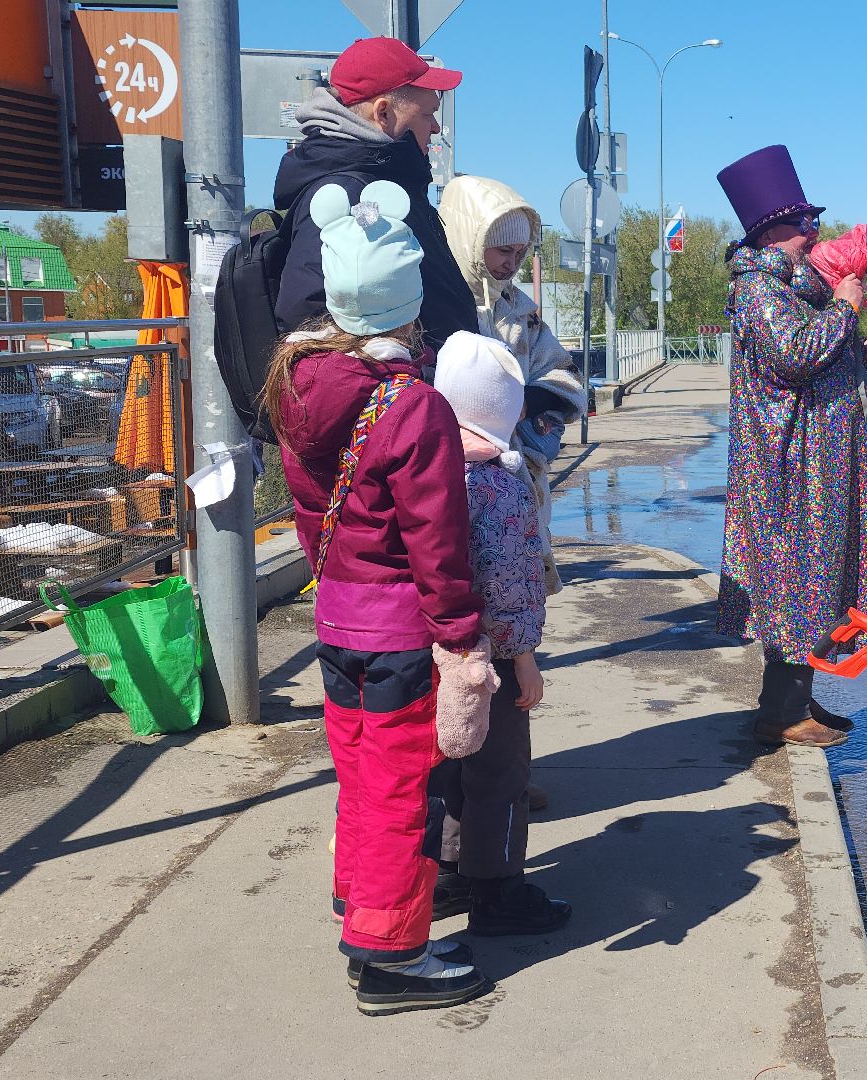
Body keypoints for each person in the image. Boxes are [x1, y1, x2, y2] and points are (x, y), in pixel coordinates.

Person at [263, 178, 495, 1016]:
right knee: (405, 788)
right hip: (401, 627)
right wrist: (461, 639)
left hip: (336, 619)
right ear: (406, 306)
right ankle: (391, 954)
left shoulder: (297, 388)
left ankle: (357, 903)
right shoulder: (412, 407)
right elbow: (438, 544)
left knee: (359, 774)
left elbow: (303, 512)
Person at [714, 145, 867, 748]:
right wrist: (846, 311)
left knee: (816, 579)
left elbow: (810, 353)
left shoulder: (790, 287)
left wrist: (859, 345)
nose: (812, 233)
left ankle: (798, 699)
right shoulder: (758, 291)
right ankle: (780, 711)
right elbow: (792, 355)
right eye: (803, 224)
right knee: (798, 580)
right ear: (773, 229)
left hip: (814, 465)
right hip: (791, 467)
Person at [423, 331, 573, 936]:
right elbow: (511, 580)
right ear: (506, 412)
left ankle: (453, 869)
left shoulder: (427, 466)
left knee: (449, 764)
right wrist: (525, 660)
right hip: (494, 652)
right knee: (502, 771)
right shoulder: (499, 479)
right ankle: (499, 885)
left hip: (435, 647)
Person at [436, 174, 587, 597]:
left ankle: (517, 654)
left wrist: (528, 403)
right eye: (504, 249)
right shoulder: (438, 304)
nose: (513, 262)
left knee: (513, 589)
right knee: (461, 585)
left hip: (516, 473)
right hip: (454, 472)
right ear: (471, 240)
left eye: (521, 252)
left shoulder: (520, 309)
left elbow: (565, 373)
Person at [272, 37, 475, 350]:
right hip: (402, 396)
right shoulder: (356, 196)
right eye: (427, 113)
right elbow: (311, 324)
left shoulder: (374, 183)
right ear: (383, 113)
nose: (435, 127)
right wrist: (404, 386)